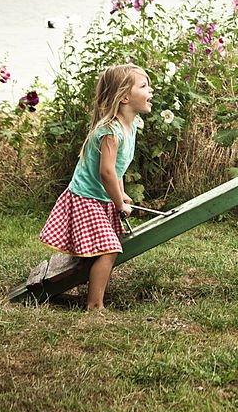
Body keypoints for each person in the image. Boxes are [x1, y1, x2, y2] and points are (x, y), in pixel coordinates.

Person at [39, 64, 154, 311]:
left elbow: (117, 170)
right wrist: (120, 202)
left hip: (99, 197)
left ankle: (85, 278)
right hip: (86, 199)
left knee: (103, 246)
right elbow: (106, 172)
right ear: (124, 97)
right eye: (144, 86)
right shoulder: (110, 131)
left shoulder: (130, 127)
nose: (151, 90)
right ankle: (94, 306)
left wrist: (120, 194)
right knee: (108, 250)